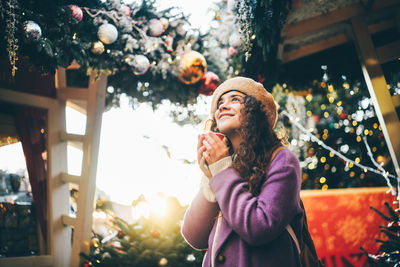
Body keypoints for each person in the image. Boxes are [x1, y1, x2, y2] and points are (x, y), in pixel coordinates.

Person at [181, 76, 304, 267]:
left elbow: (259, 227)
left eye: (235, 99)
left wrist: (222, 171)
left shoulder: (282, 160)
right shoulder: (224, 164)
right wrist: (210, 180)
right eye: (220, 103)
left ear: (256, 110)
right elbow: (194, 236)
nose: (222, 106)